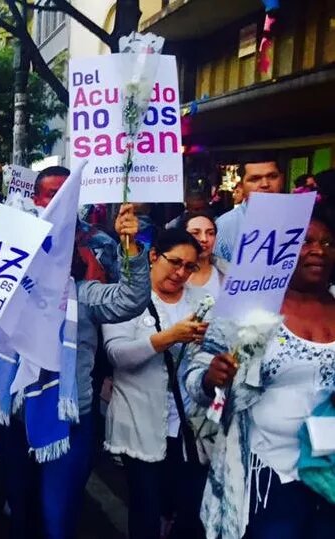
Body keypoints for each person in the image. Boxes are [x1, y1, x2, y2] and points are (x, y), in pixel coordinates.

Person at [0, 202, 150, 539]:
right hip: (14, 422)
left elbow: (132, 298)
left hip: (69, 424)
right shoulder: (2, 298)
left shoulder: (83, 296)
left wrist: (130, 245)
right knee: (21, 513)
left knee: (57, 519)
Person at [185, 209, 335, 538]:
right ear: (282, 249)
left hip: (329, 474)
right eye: (305, 241)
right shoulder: (250, 305)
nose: (318, 250)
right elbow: (195, 377)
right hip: (268, 474)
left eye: (327, 242)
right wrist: (211, 377)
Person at [102, 229, 210, 539]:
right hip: (141, 420)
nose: (181, 273)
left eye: (190, 267)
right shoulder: (124, 296)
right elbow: (117, 354)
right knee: (146, 510)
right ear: (153, 256)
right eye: (175, 262)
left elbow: (208, 355)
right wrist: (167, 338)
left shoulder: (200, 302)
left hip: (188, 424)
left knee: (188, 510)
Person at [214, 158, 285, 262]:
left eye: (272, 176)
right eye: (255, 179)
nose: (265, 184)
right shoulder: (224, 226)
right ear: (242, 186)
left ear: (282, 180)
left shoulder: (300, 218)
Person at [180, 211, 224, 297]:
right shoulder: (171, 275)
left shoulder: (228, 273)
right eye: (196, 233)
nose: (204, 239)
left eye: (210, 233)